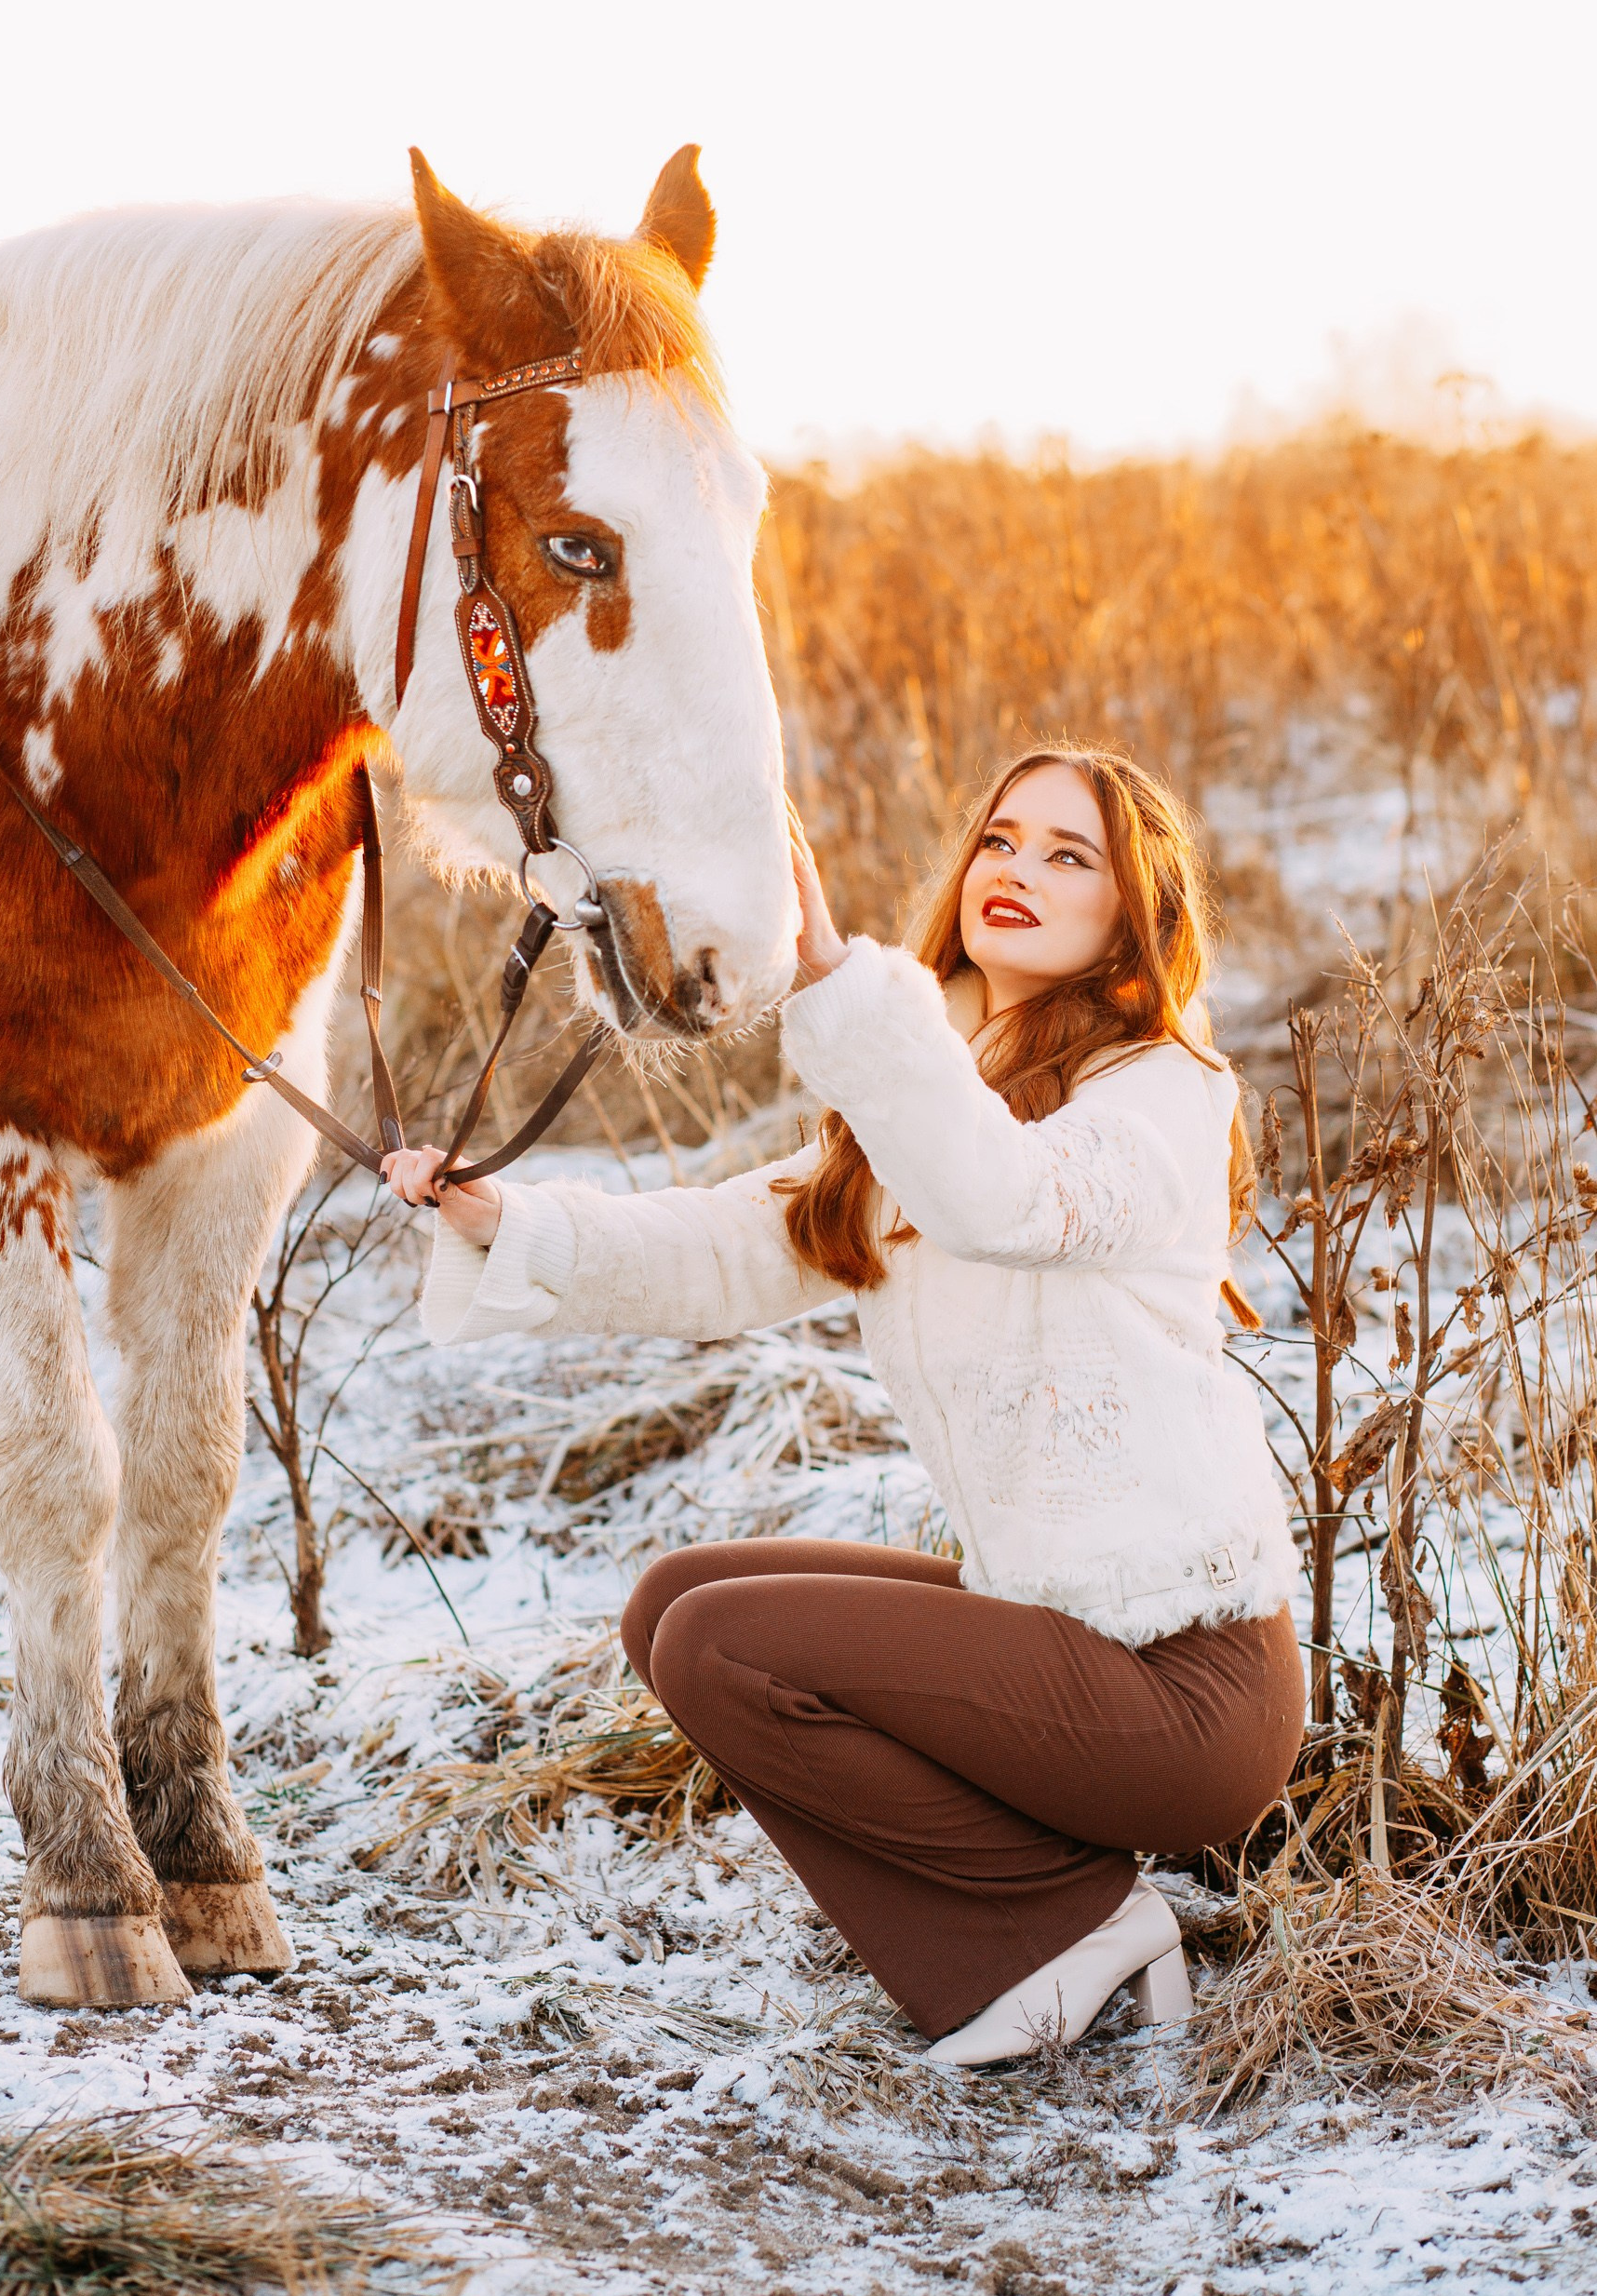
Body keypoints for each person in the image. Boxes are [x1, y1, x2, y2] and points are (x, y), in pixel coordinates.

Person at [383, 747, 1303, 2066]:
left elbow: (1009, 1201)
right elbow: (721, 1246)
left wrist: (840, 989)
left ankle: (1061, 1927)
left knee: (726, 1649)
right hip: (1056, 1636)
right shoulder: (926, 1099)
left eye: (1069, 856)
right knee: (673, 1608)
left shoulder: (1162, 1093)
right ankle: (1046, 1915)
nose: (1018, 872)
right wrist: (501, 1216)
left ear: (1129, 918)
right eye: (1001, 841)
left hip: (1184, 1688)